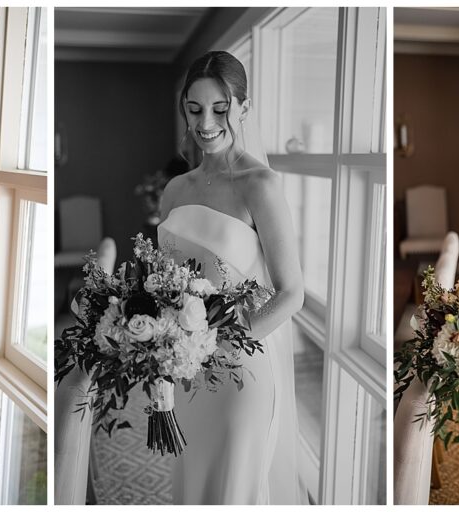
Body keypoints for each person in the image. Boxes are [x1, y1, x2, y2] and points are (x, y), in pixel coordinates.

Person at [156, 51, 306, 504]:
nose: (205, 123)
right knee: (194, 482)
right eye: (194, 109)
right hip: (185, 371)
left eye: (220, 109)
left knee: (233, 489)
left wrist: (220, 346)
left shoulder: (260, 185)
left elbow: (292, 293)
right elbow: (163, 285)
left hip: (240, 371)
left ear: (244, 108)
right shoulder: (174, 191)